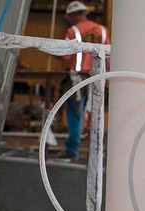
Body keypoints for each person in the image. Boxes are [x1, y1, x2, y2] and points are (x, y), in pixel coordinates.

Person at [59, 1, 109, 159]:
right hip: (98, 78)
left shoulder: (72, 31)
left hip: (78, 80)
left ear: (73, 15)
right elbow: (108, 56)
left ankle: (72, 150)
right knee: (96, 114)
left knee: (75, 113)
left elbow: (66, 57)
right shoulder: (102, 30)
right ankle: (96, 152)